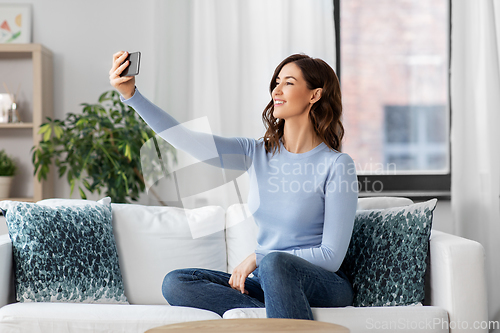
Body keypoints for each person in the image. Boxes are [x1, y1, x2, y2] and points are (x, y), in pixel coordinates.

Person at [109, 52, 358, 320]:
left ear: (314, 95)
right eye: (276, 82)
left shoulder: (337, 165)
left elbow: (330, 256)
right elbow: (185, 138)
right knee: (177, 282)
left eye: (288, 82)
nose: (277, 89)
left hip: (323, 284)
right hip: (267, 281)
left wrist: (259, 258)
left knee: (275, 262)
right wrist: (131, 95)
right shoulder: (256, 152)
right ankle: (274, 315)